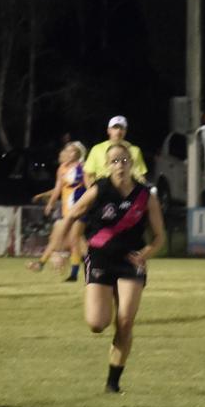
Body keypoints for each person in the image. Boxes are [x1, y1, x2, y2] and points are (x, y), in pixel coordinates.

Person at [60, 142, 165, 394]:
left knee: (126, 321)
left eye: (124, 160)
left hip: (130, 261)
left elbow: (159, 236)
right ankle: (105, 334)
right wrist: (67, 248)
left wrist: (146, 253)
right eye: (115, 161)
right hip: (100, 259)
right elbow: (73, 215)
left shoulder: (145, 196)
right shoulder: (99, 189)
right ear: (107, 166)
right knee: (97, 323)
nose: (120, 165)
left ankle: (113, 382)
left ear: (132, 164)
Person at [27, 141, 87, 281]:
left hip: (79, 210)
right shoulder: (62, 168)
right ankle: (43, 264)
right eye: (68, 150)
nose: (69, 153)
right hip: (66, 211)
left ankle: (72, 273)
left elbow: (90, 186)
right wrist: (50, 202)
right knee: (60, 239)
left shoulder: (82, 168)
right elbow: (58, 188)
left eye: (72, 151)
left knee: (74, 240)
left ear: (78, 153)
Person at [83, 116, 148, 183]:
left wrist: (141, 192)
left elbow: (141, 177)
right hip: (103, 189)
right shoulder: (97, 149)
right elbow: (88, 175)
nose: (118, 131)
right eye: (115, 127)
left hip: (126, 189)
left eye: (122, 128)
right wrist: (92, 191)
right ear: (108, 130)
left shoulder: (135, 150)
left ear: (125, 131)